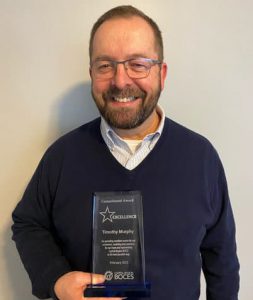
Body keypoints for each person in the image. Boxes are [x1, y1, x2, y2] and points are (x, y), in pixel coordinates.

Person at [12, 5, 240, 300]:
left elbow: (221, 261)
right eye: (105, 65)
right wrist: (56, 279)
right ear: (92, 73)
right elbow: (28, 222)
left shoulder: (201, 159)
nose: (120, 81)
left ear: (162, 73)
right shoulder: (62, 157)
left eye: (138, 64)